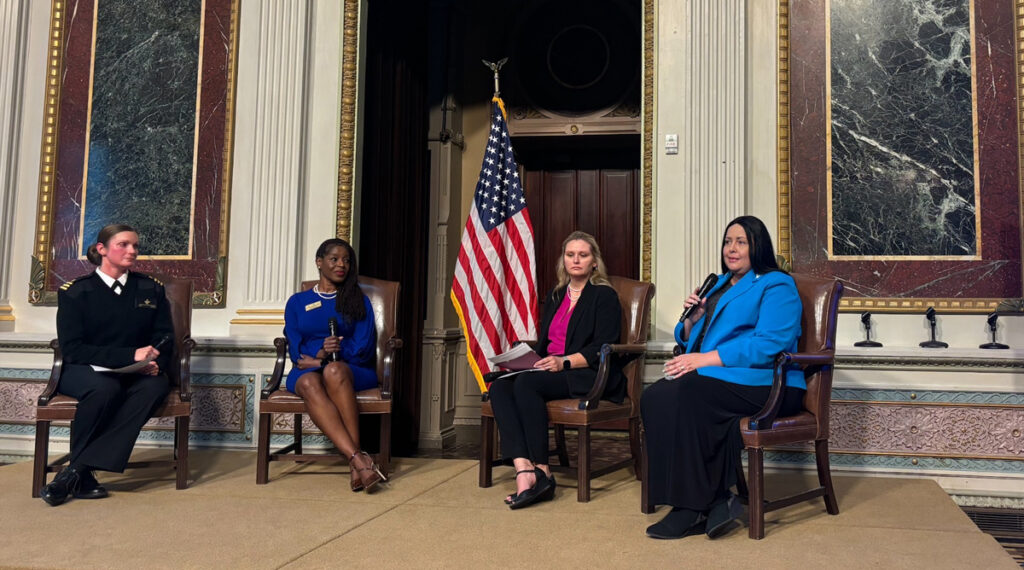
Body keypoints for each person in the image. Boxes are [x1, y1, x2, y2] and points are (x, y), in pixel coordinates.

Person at [641, 215, 805, 539]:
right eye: (728, 241)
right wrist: (693, 320)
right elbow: (690, 340)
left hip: (769, 383)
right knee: (655, 396)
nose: (732, 249)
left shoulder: (777, 284)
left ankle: (691, 507)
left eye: (741, 242)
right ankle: (709, 498)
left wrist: (703, 360)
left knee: (691, 392)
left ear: (758, 246)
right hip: (721, 377)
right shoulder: (718, 284)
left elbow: (770, 344)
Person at [488, 231, 623, 509]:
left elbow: (603, 345)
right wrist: (523, 359)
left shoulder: (604, 295)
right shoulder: (556, 294)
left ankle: (543, 471)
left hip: (586, 372)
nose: (576, 260)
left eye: (583, 255)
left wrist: (565, 361)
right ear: (564, 260)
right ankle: (523, 469)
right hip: (550, 368)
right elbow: (546, 342)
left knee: (527, 385)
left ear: (594, 262)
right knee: (500, 385)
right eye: (570, 254)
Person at [43, 224, 175, 506]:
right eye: (124, 245)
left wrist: (156, 363)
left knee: (155, 387)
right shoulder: (76, 292)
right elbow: (73, 349)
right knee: (104, 389)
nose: (132, 251)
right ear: (101, 249)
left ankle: (76, 470)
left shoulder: (150, 288)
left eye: (135, 246)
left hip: (139, 371)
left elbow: (165, 336)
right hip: (83, 369)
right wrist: (130, 357)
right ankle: (84, 473)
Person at [283, 238, 386, 492]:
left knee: (334, 370)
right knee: (307, 380)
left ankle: (355, 464)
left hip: (351, 368)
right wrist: (318, 352)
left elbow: (363, 344)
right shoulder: (297, 302)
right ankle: (357, 459)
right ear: (319, 262)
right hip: (307, 369)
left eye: (347, 260)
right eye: (335, 259)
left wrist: (328, 357)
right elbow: (294, 345)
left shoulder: (357, 300)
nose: (342, 265)